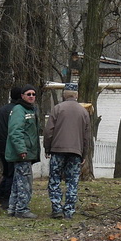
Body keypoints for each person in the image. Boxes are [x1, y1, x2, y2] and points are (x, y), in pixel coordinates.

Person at [44, 85, 91, 219]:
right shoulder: (84, 112)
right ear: (76, 95)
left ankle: (56, 208)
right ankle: (69, 210)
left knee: (55, 179)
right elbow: (86, 136)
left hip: (57, 150)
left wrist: (47, 148)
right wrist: (84, 153)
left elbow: (48, 131)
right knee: (72, 181)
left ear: (64, 95)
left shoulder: (57, 109)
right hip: (76, 151)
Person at [6, 84, 41, 218]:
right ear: (22, 96)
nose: (31, 96)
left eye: (33, 94)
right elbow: (15, 132)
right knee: (24, 183)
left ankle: (13, 208)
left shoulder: (30, 110)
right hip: (22, 154)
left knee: (17, 182)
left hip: (27, 152)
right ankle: (22, 209)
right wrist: (21, 150)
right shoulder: (19, 110)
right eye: (29, 94)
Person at [0, 85, 22, 210]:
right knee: (11, 173)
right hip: (11, 147)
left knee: (7, 172)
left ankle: (1, 195)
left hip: (1, 145)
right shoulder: (17, 111)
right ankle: (6, 199)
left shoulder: (1, 110)